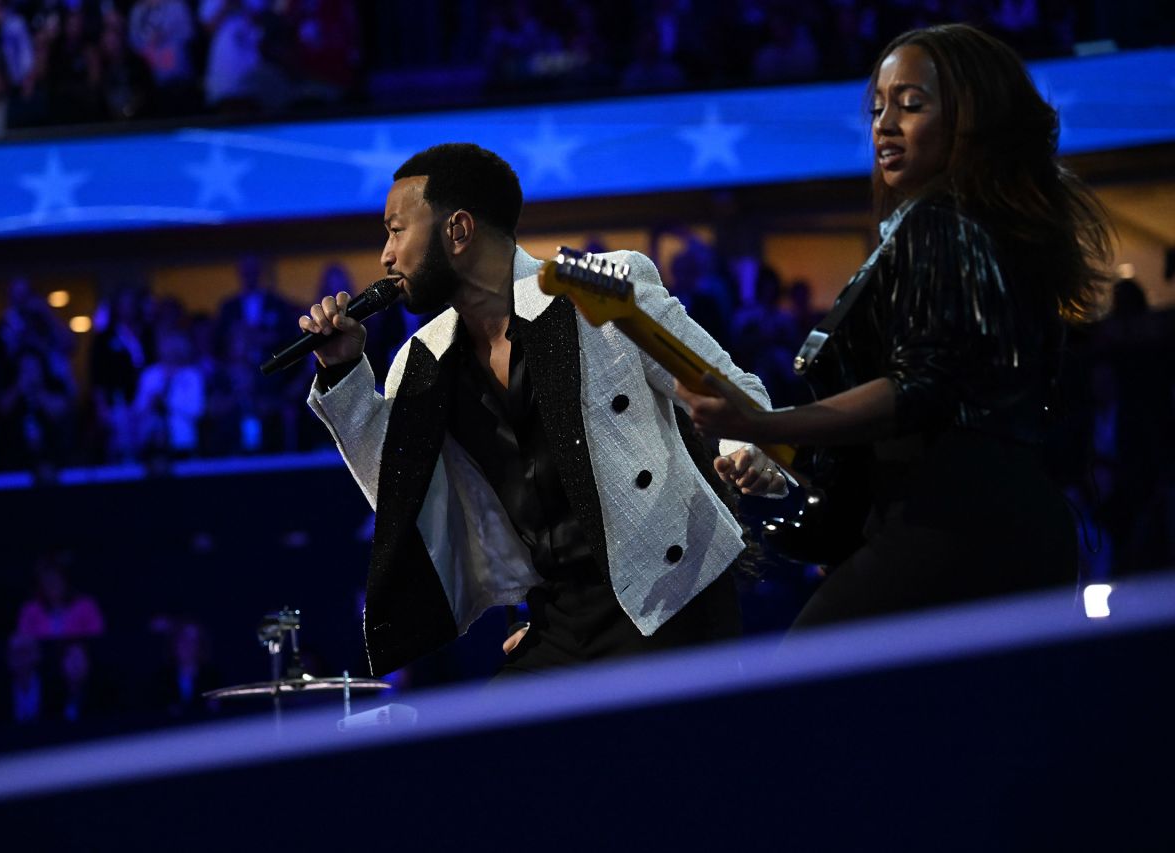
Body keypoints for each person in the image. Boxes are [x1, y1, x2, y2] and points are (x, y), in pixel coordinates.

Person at [677, 24, 1113, 628]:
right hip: (1010, 527)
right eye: (879, 107)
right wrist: (782, 463)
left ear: (970, 119)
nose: (884, 124)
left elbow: (920, 391)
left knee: (800, 707)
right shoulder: (985, 231)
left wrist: (762, 421)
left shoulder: (940, 224)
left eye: (911, 105)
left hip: (950, 524)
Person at [300, 142, 785, 677]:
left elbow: (725, 387)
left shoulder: (593, 281)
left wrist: (747, 448)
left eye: (396, 230)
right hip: (560, 616)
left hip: (668, 594)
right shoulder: (423, 358)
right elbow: (400, 500)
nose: (386, 257)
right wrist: (342, 371)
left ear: (458, 231)